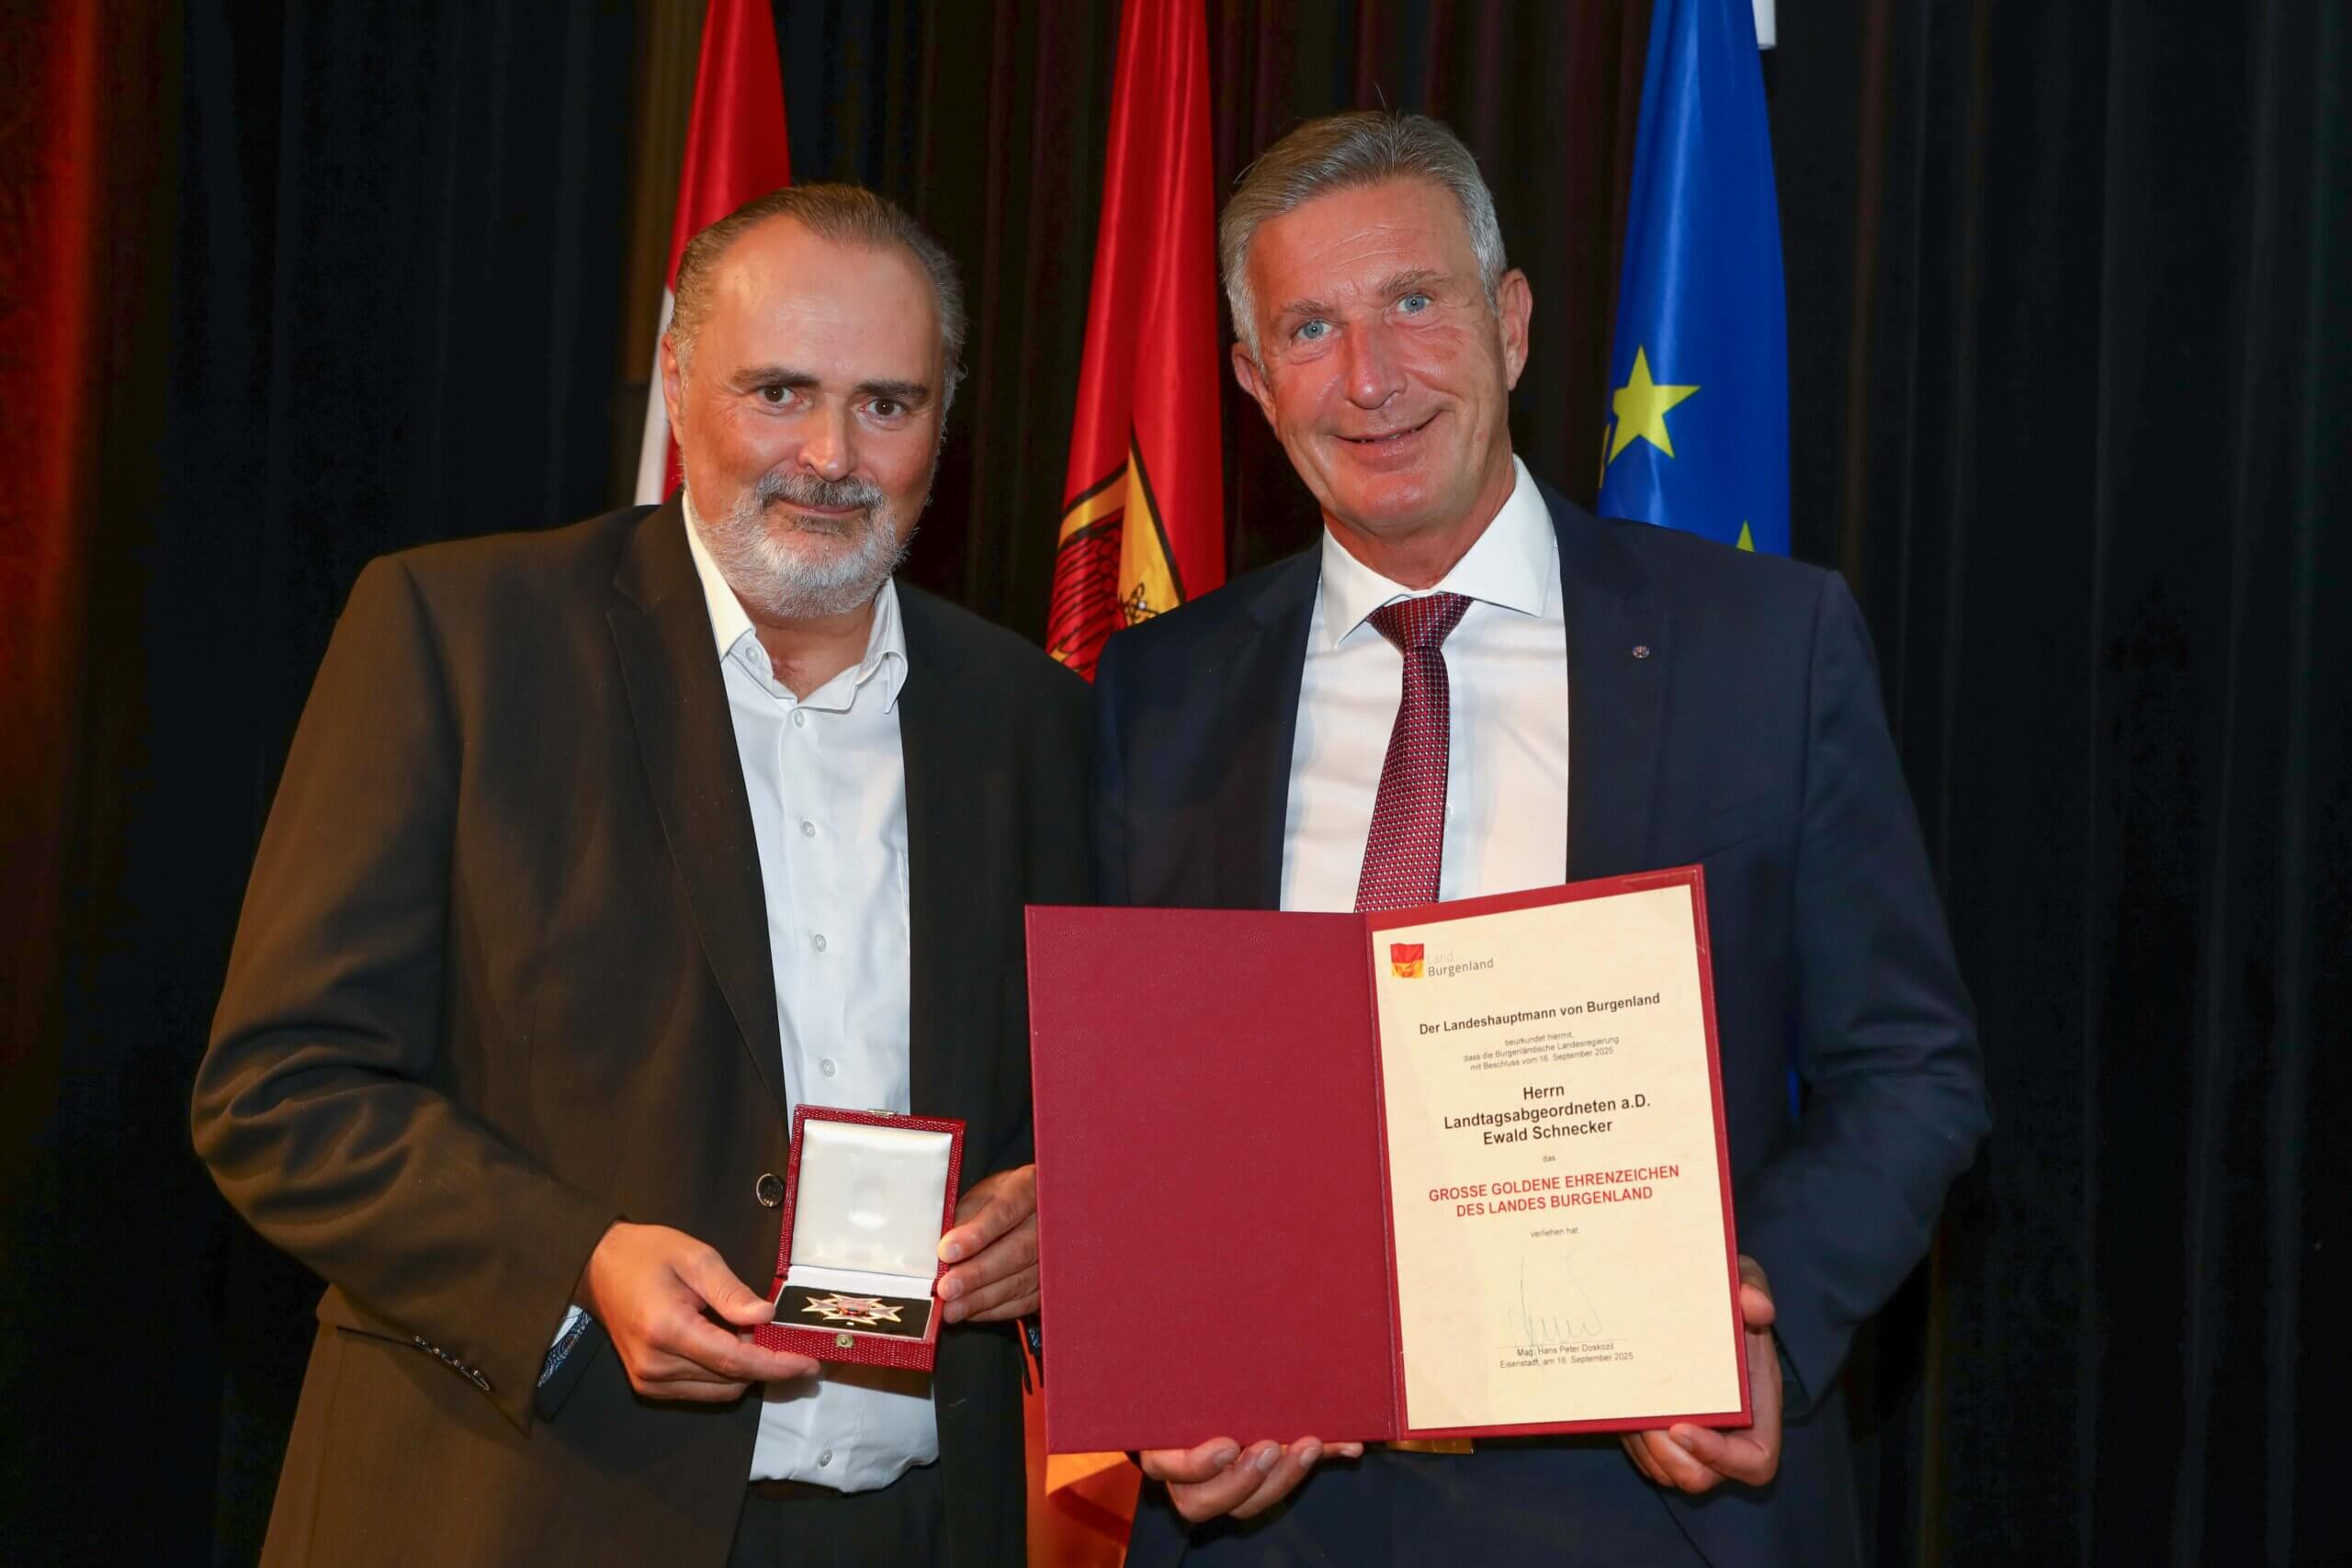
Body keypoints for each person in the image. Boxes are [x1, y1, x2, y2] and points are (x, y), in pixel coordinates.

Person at [1091, 112, 1988, 1568]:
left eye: (1415, 303)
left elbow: (1913, 1070)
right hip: (1268, 1519)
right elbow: (1134, 1096)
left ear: (1510, 325)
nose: (1370, 377)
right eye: (1310, 327)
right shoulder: (1161, 690)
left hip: (1641, 1494)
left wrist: (1763, 1308)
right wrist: (1175, 1362)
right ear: (1253, 383)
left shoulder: (1764, 645)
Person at [191, 184, 1088, 1568]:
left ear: (945, 420)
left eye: (888, 405)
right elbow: (280, 1089)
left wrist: (1065, 1209)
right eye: (779, 391)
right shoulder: (462, 638)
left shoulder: (1031, 716)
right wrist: (573, 1264)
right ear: (679, 378)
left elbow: (1086, 1101)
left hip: (915, 1528)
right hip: (522, 1512)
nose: (831, 456)